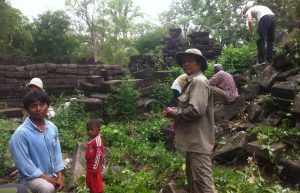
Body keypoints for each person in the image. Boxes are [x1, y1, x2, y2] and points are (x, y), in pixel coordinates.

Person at [164, 48, 216, 193]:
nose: (186, 64)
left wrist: (174, 113)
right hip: (192, 142)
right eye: (184, 61)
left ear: (199, 63)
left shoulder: (199, 82)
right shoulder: (191, 81)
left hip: (198, 142)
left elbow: (196, 110)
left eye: (190, 61)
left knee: (204, 185)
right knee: (195, 183)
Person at [9, 91, 64, 193]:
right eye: (33, 106)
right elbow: (24, 165)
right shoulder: (21, 134)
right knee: (47, 188)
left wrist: (60, 176)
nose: (38, 109)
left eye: (42, 104)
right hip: (29, 178)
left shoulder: (52, 128)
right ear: (27, 109)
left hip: (51, 176)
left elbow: (57, 153)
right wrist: (46, 178)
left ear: (47, 106)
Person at [85, 119, 104, 193]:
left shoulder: (98, 140)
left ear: (98, 130)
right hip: (89, 168)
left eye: (92, 130)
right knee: (91, 187)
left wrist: (95, 168)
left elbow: (98, 155)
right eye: (88, 130)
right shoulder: (91, 139)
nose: (89, 132)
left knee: (97, 188)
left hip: (94, 170)